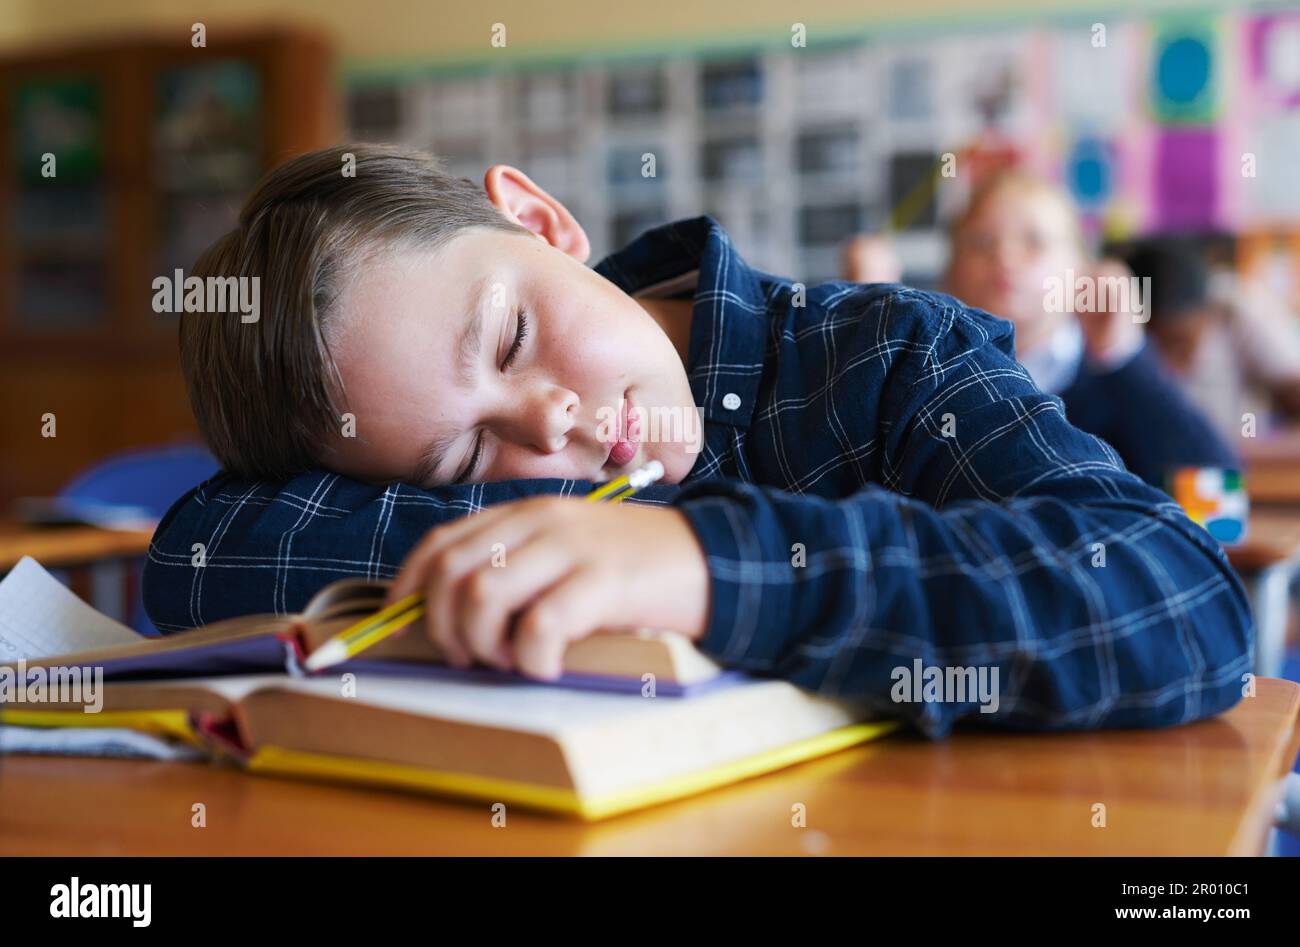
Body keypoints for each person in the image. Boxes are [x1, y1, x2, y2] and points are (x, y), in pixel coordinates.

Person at [144, 145, 1251, 738]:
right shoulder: (500, 458)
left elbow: (1181, 604)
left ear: (540, 223)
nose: (547, 422)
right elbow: (200, 549)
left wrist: (704, 567)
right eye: (462, 460)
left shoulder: (887, 354)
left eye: (514, 333)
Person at [943, 170, 1238, 486]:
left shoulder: (1112, 376)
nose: (1005, 256)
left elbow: (1220, 499)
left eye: (1034, 241)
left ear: (1082, 269)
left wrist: (1124, 358)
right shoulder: (936, 375)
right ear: (951, 271)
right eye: (981, 242)